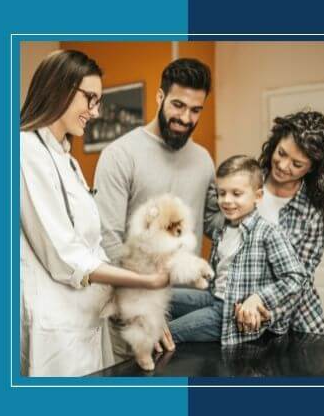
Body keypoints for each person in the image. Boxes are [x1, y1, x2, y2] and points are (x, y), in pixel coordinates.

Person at [19, 50, 170, 377]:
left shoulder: (68, 160)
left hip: (87, 318)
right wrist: (145, 280)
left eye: (98, 101)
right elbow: (66, 256)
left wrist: (138, 309)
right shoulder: (24, 150)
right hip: (55, 327)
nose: (96, 111)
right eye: (90, 99)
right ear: (60, 87)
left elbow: (93, 246)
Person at [93, 58, 215, 353]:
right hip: (133, 312)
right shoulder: (120, 155)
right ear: (160, 97)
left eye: (196, 110)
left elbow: (213, 221)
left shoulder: (203, 160)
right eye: (178, 105)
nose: (186, 118)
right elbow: (106, 240)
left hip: (189, 309)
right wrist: (146, 313)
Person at [205, 110, 324, 334]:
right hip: (231, 314)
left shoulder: (313, 212)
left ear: (312, 167)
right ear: (274, 144)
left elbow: (299, 279)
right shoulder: (244, 183)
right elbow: (220, 238)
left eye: (297, 164)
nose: (283, 165)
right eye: (281, 153)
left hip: (292, 324)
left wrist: (262, 308)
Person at [169, 156, 307, 345]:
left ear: (258, 196)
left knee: (167, 333)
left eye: (236, 193)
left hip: (229, 313)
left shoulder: (268, 233)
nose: (226, 200)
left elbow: (297, 278)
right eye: (221, 193)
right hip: (213, 297)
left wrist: (259, 298)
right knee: (161, 298)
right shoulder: (222, 229)